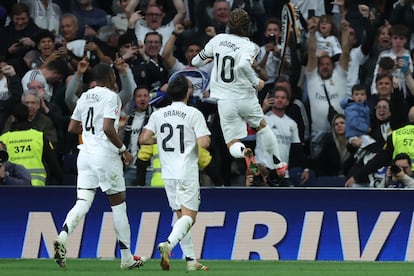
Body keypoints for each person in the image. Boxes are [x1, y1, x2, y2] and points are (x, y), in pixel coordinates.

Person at [53, 64, 145, 270]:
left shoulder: (85, 96)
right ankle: (126, 257)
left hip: (85, 154)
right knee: (118, 204)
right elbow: (107, 128)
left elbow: (72, 127)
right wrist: (123, 150)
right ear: (110, 76)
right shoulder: (112, 96)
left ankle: (63, 236)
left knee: (83, 201)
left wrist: (89, 127)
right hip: (105, 155)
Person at [192, 8, 287, 177]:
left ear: (229, 24)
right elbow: (243, 65)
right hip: (245, 97)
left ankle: (244, 152)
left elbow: (195, 62)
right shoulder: (251, 46)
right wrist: (256, 81)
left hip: (225, 100)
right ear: (248, 27)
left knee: (232, 143)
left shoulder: (218, 39)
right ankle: (278, 163)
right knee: (263, 129)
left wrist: (214, 56)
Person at [139, 75, 210, 271]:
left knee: (181, 217)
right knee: (190, 218)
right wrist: (189, 142)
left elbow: (143, 139)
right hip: (186, 171)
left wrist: (160, 140)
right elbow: (204, 142)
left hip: (167, 174)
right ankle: (168, 245)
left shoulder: (158, 114)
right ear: (188, 92)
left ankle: (190, 260)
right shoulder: (193, 113)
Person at [255, 86, 310, 187]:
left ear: (287, 102)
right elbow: (252, 126)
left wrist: (305, 168)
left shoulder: (292, 123)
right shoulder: (264, 118)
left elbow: (297, 148)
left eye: (283, 97)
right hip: (263, 171)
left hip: (282, 173)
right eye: (277, 97)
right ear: (271, 99)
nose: (280, 99)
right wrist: (263, 108)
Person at [0, 102, 62, 186]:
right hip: (37, 185)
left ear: (13, 118)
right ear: (28, 117)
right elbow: (53, 164)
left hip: (12, 185)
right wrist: (60, 182)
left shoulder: (3, 139)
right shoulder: (39, 136)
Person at [340, 84, 373, 149]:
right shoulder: (352, 108)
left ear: (366, 97)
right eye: (356, 94)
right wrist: (366, 128)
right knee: (372, 145)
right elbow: (353, 122)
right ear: (352, 97)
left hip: (361, 134)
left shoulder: (365, 107)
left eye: (362, 94)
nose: (359, 96)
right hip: (354, 135)